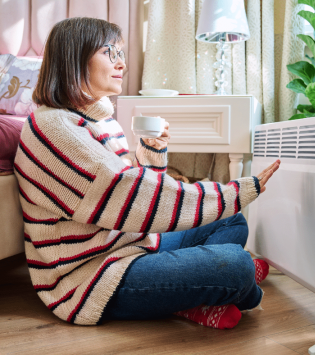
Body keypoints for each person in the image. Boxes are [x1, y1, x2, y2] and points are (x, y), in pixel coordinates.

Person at [14, 17, 280, 328]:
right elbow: (131, 194)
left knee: (232, 221)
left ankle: (185, 300)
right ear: (74, 57)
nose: (121, 64)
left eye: (121, 54)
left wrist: (151, 153)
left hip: (128, 243)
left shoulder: (99, 121)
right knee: (237, 266)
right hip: (90, 278)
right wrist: (238, 190)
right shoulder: (54, 128)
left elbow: (131, 201)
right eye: (109, 53)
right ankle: (222, 291)